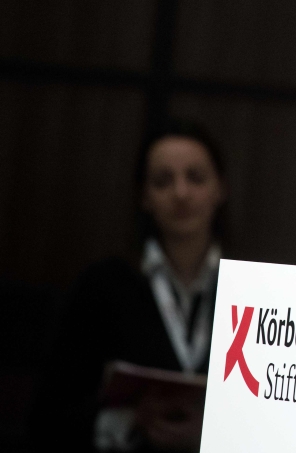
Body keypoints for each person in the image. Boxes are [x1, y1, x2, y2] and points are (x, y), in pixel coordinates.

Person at [34, 120, 228, 452]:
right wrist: (130, 420)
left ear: (219, 190)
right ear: (144, 196)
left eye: (195, 178)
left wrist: (215, 432)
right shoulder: (103, 287)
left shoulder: (253, 289)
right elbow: (45, 419)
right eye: (163, 181)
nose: (180, 193)